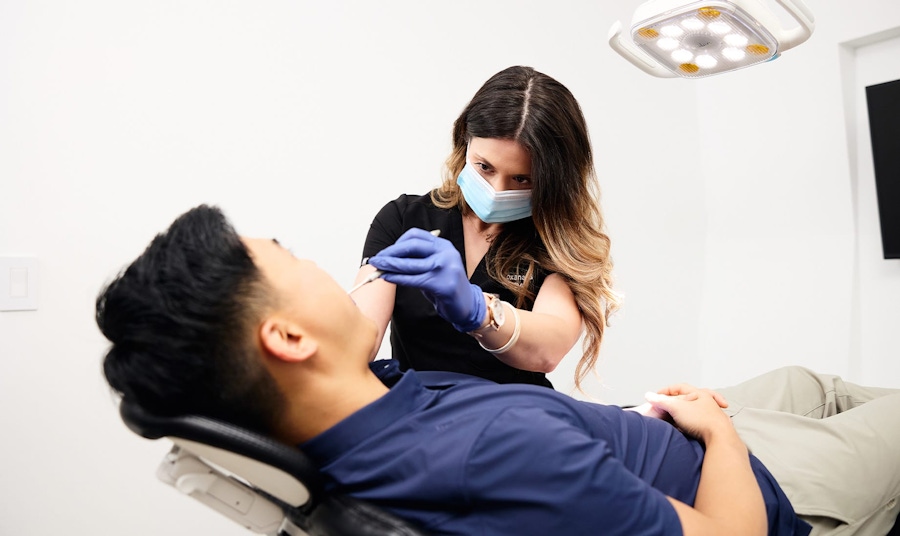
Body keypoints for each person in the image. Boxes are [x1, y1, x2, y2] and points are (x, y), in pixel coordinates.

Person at [98, 205, 900, 536]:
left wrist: (470, 309)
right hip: (759, 494)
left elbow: (549, 341)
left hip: (645, 434)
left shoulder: (353, 410)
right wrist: (718, 432)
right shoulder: (494, 452)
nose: (327, 270)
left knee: (809, 379)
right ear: (287, 338)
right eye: (294, 259)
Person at [352, 65, 620, 389]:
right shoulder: (405, 220)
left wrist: (480, 311)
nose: (498, 189)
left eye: (522, 179)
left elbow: (550, 346)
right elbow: (359, 341)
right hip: (418, 418)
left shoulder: (555, 246)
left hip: (514, 426)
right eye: (484, 167)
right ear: (464, 140)